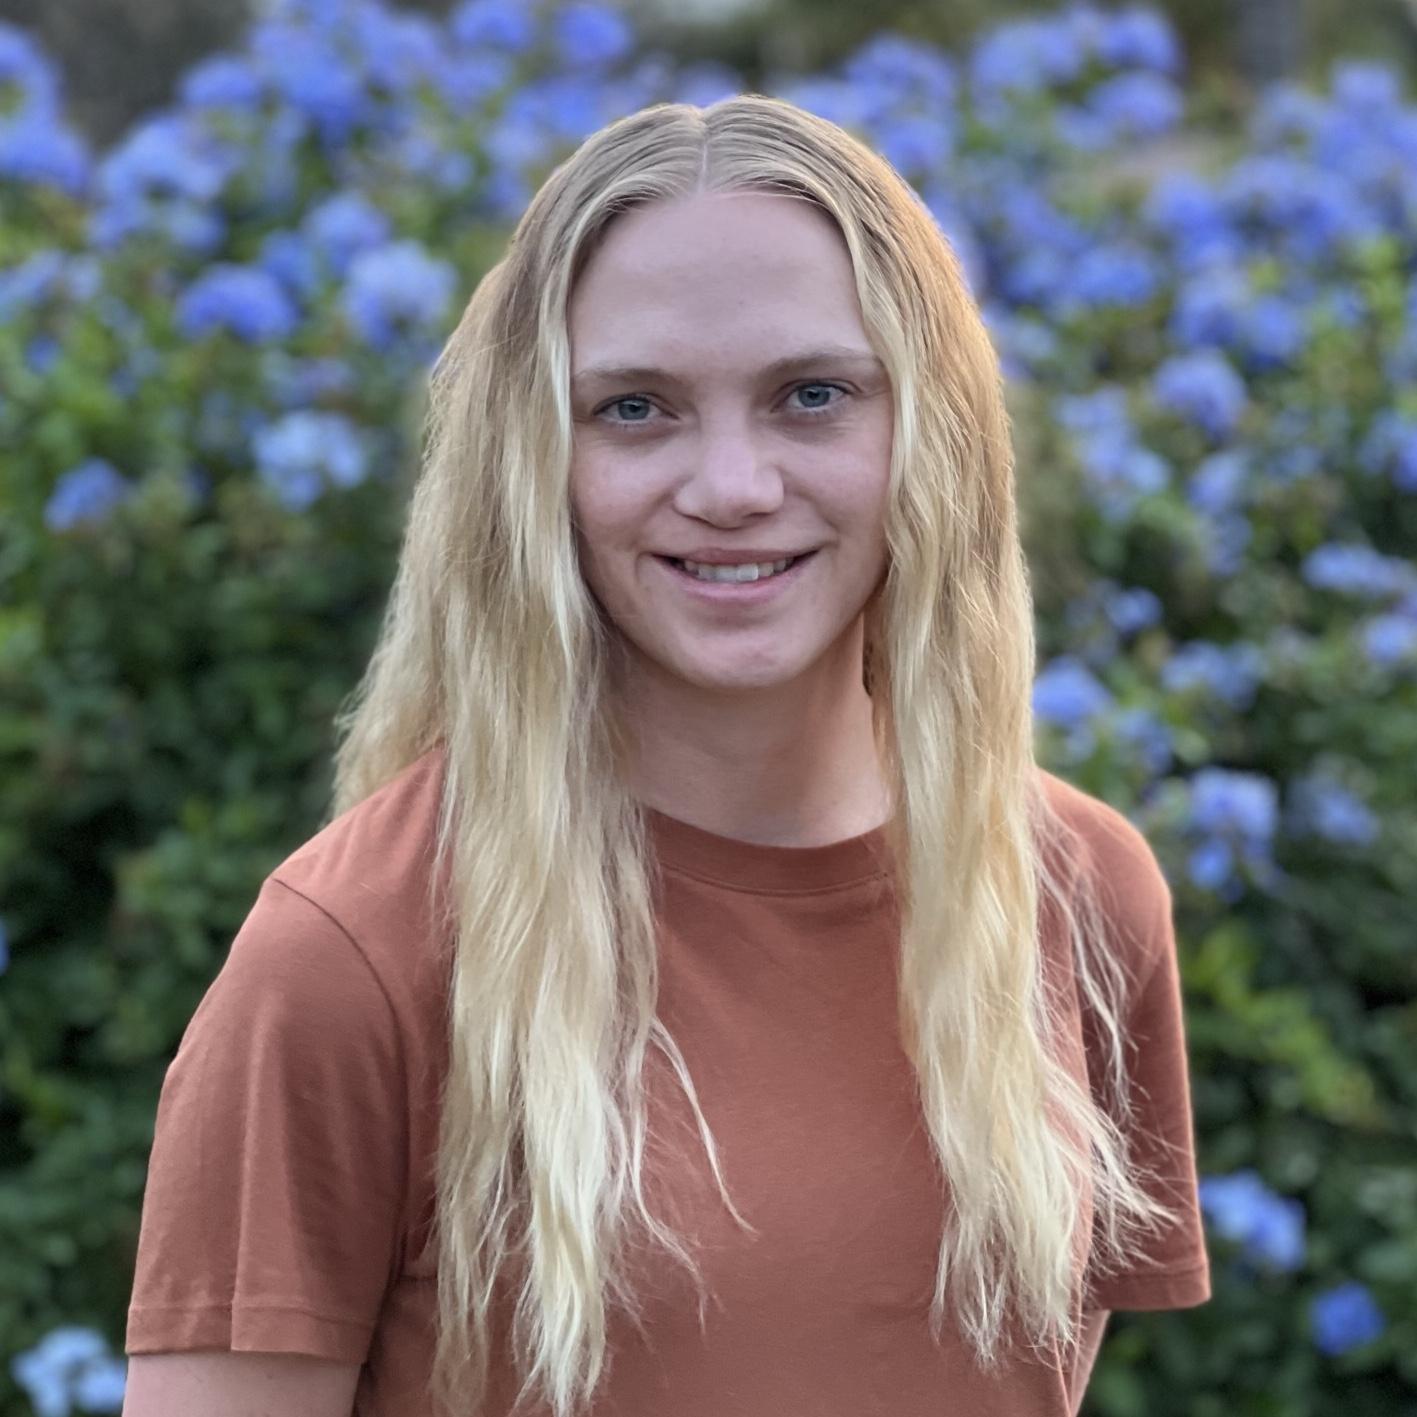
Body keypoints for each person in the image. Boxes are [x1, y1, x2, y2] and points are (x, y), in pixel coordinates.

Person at [122, 94, 1210, 1417]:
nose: (732, 485)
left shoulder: (1077, 893)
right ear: (533, 459)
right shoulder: (353, 960)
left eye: (812, 395)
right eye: (635, 408)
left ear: (930, 431)